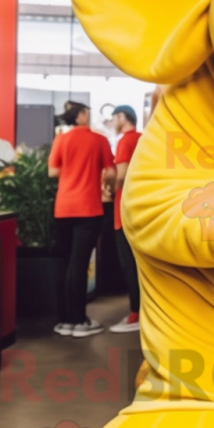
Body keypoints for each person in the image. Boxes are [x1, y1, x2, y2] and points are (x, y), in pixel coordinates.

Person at [49, 101, 115, 337]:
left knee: (66, 263)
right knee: (79, 263)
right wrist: (105, 185)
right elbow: (110, 172)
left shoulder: (61, 140)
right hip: (88, 208)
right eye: (87, 111)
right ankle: (80, 321)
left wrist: (71, 170)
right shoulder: (99, 140)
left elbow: (53, 171)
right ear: (81, 115)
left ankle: (65, 321)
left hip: (63, 208)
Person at [109, 105, 142, 333]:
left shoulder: (125, 141)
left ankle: (135, 313)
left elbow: (120, 175)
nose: (112, 122)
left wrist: (111, 190)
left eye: (114, 117)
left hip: (125, 209)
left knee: (128, 265)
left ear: (123, 117)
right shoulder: (144, 138)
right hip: (143, 209)